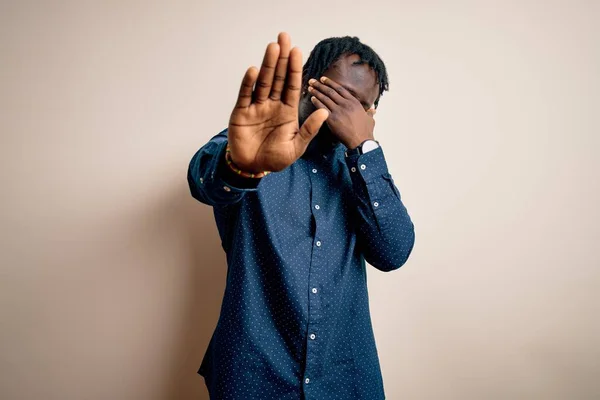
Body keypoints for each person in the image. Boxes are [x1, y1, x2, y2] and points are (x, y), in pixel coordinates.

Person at [187, 32, 415, 400]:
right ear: (308, 83)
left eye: (360, 106)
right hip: (253, 373)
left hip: (345, 378)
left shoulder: (362, 174)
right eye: (336, 93)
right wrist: (239, 167)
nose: (344, 110)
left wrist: (366, 148)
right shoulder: (255, 145)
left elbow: (394, 252)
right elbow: (204, 179)